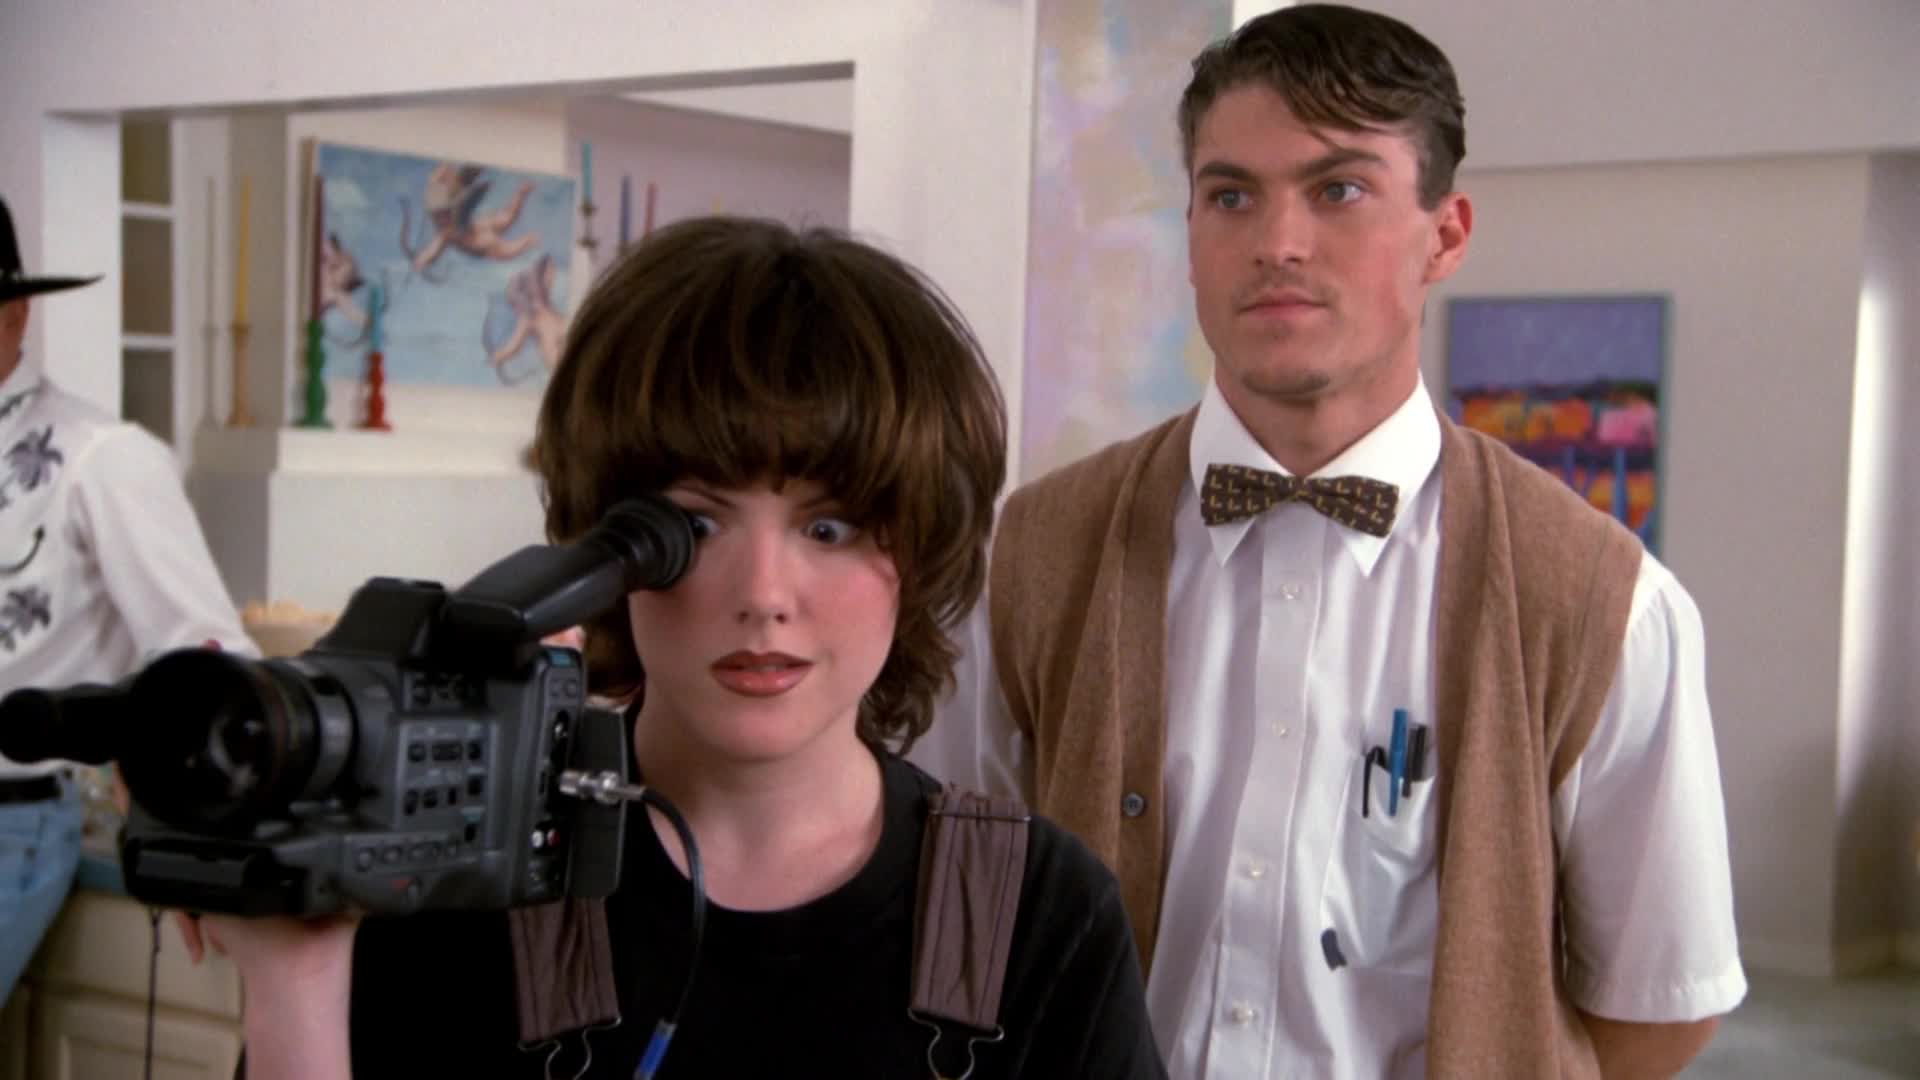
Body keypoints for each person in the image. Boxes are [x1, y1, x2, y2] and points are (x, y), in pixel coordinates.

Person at [908, 5, 1747, 1078]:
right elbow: (962, 927)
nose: (1277, 243)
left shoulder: (1602, 601)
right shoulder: (1031, 552)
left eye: (1338, 189)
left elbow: (1658, 1008)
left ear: (1445, 235)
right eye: (1231, 196)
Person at [204, 216, 1169, 1080]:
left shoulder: (1040, 915)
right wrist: (294, 983)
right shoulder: (454, 878)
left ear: (920, 550)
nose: (763, 597)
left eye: (829, 528)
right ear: (604, 549)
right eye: (697, 525)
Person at [0, 194, 257, 1007]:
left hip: (13, 818)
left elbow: (208, 664)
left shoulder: (103, 458)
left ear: (15, 313)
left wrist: (190, 834)